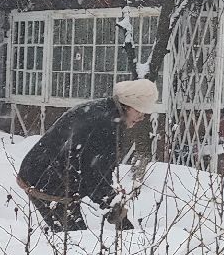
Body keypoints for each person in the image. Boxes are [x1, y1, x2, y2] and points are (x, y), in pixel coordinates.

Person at [16, 78, 163, 233]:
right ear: (127, 106)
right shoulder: (106, 124)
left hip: (49, 173)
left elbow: (99, 170)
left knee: (74, 234)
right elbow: (94, 175)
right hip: (46, 178)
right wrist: (116, 210)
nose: (141, 118)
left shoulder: (105, 111)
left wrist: (112, 201)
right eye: (139, 111)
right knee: (74, 237)